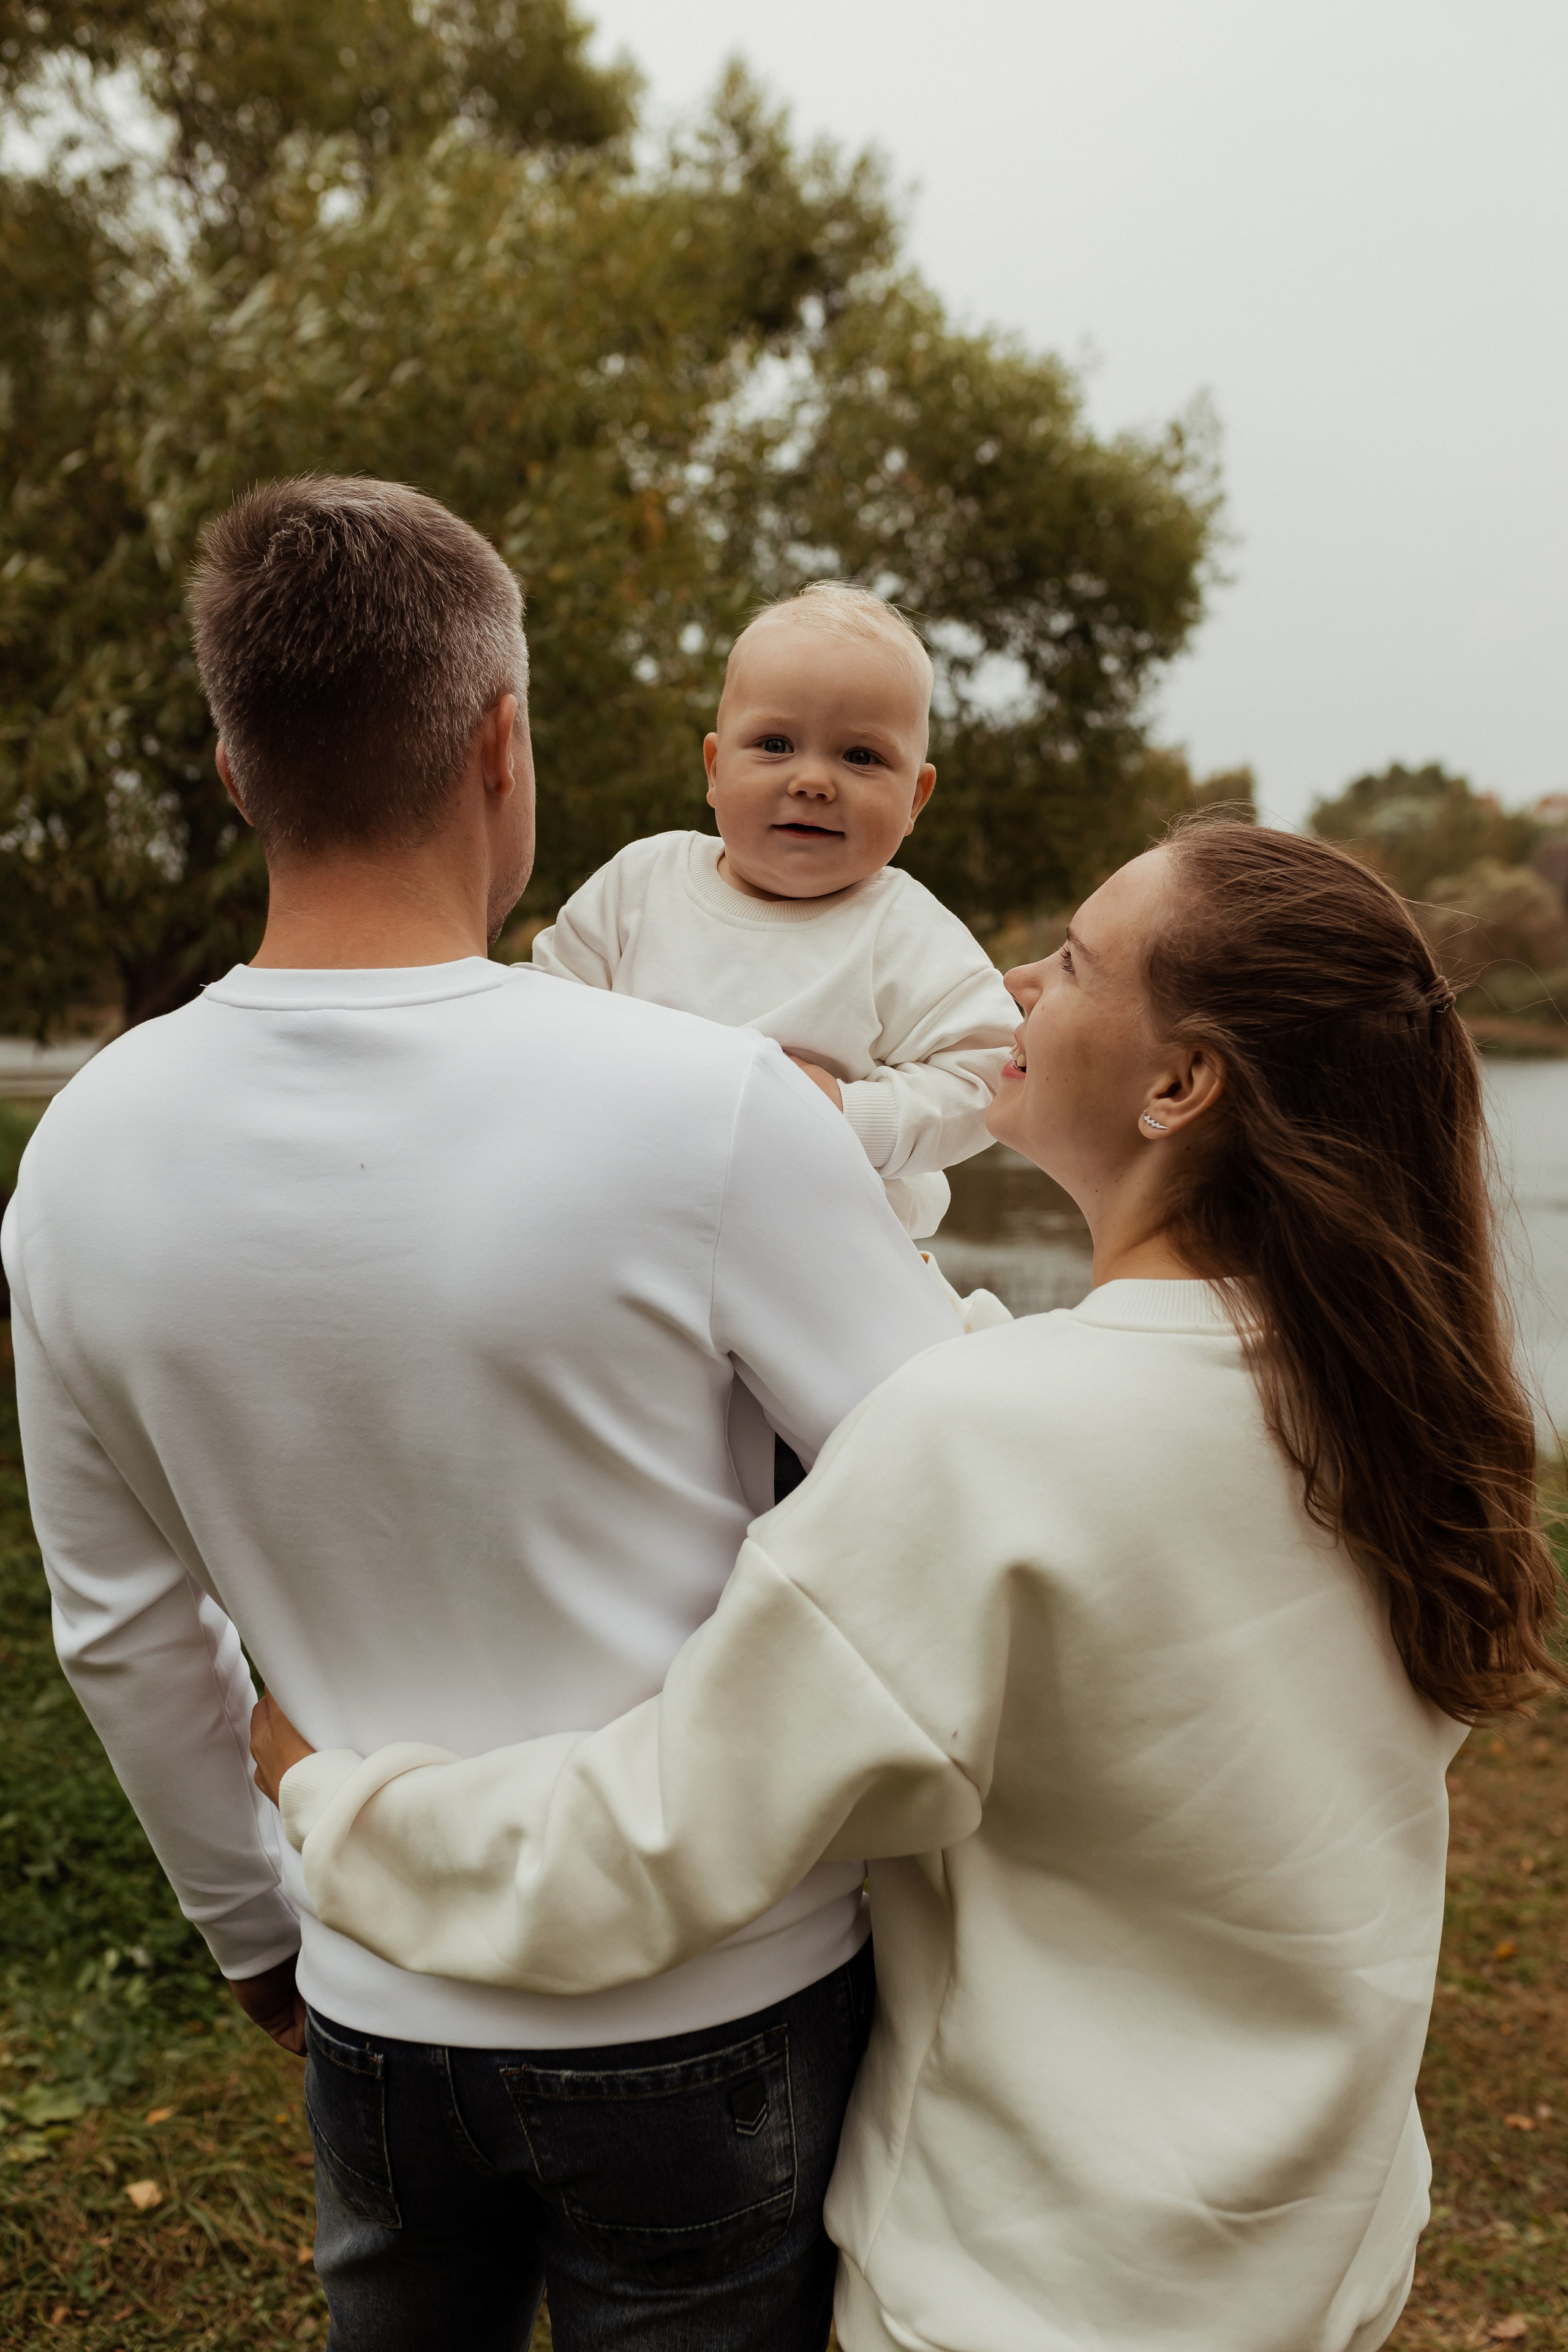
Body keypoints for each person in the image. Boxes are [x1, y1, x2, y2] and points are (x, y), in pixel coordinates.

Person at [256, 820, 1562, 2352]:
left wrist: (331, 1800)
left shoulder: (986, 1441)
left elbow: (657, 1838)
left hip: (1029, 2289)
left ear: (1176, 1085)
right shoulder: (1393, 1408)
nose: (1013, 979)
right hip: (1315, 2248)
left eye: (1071, 962)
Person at [1, 475, 965, 2352]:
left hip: (376, 1985)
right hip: (722, 1992)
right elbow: (954, 1490)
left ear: (230, 759)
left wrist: (266, 1937)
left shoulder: (84, 1154)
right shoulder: (717, 1107)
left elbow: (124, 1633)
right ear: (501, 741)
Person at [530, 581, 1018, 1245]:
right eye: (775, 745)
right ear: (712, 767)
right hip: (633, 1221)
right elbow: (542, 1018)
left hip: (825, 1246)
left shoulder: (905, 931)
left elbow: (985, 1074)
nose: (812, 781)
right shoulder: (641, 884)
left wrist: (850, 1112)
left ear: (916, 799)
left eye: (861, 756)